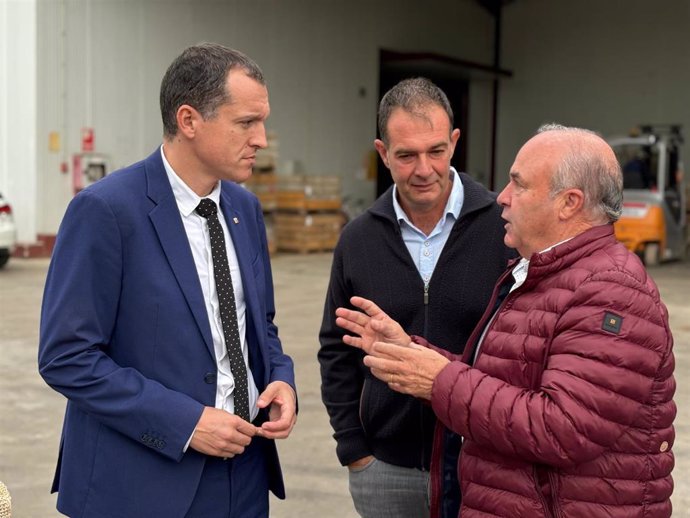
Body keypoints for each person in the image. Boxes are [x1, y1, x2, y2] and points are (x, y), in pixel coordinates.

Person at [336, 124, 676, 517]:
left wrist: (439, 381)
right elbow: (506, 379)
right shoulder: (541, 274)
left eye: (520, 185)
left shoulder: (612, 291)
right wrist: (411, 353)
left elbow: (562, 428)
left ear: (569, 203)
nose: (503, 197)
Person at [38, 43, 297, 518]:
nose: (261, 138)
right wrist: (187, 423)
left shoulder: (245, 210)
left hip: (245, 475)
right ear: (189, 120)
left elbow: (259, 326)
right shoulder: (107, 212)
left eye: (262, 121)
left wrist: (280, 380)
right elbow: (66, 357)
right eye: (246, 122)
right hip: (142, 483)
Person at [318, 77, 515, 518]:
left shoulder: (504, 231)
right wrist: (354, 450)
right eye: (406, 155)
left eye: (436, 151)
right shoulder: (358, 240)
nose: (423, 169)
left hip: (482, 466)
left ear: (455, 142)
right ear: (383, 152)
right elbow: (336, 350)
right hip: (386, 470)